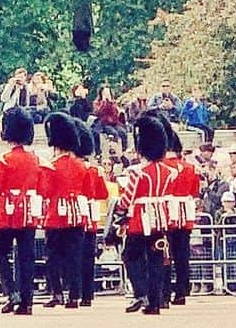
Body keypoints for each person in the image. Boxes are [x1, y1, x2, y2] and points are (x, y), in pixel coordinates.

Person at [109, 116, 175, 315]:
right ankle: (154, 303)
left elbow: (127, 198)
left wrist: (119, 210)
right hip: (160, 218)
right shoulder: (169, 172)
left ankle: (140, 293)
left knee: (130, 256)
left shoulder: (139, 172)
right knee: (156, 260)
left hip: (139, 220)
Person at [0, 106, 41, 315]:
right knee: (26, 255)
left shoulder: (4, 160)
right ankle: (26, 302)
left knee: (0, 251)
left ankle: (12, 292)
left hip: (9, 211)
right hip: (28, 211)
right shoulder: (35, 159)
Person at [40, 113, 87, 309]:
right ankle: (74, 295)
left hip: (56, 215)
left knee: (53, 256)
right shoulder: (80, 165)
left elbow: (45, 191)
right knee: (74, 256)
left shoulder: (52, 166)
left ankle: (57, 293)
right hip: (76, 212)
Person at [161, 120, 199, 306]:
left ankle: (165, 292)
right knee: (182, 254)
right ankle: (182, 291)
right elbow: (194, 192)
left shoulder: (162, 166)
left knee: (164, 254)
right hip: (185, 215)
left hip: (166, 215)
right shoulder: (190, 168)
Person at [75, 122, 108, 307]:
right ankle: (88, 294)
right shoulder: (95, 170)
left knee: (74, 255)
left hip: (76, 214)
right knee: (88, 256)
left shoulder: (77, 167)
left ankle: (76, 290)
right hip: (91, 215)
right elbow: (103, 194)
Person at [93, 85, 127, 154]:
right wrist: (104, 103)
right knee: (114, 133)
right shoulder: (97, 103)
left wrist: (111, 104)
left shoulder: (113, 103)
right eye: (105, 93)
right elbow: (98, 113)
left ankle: (123, 150)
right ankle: (114, 152)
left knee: (123, 132)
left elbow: (116, 114)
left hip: (114, 123)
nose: (107, 95)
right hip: (104, 123)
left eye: (108, 93)